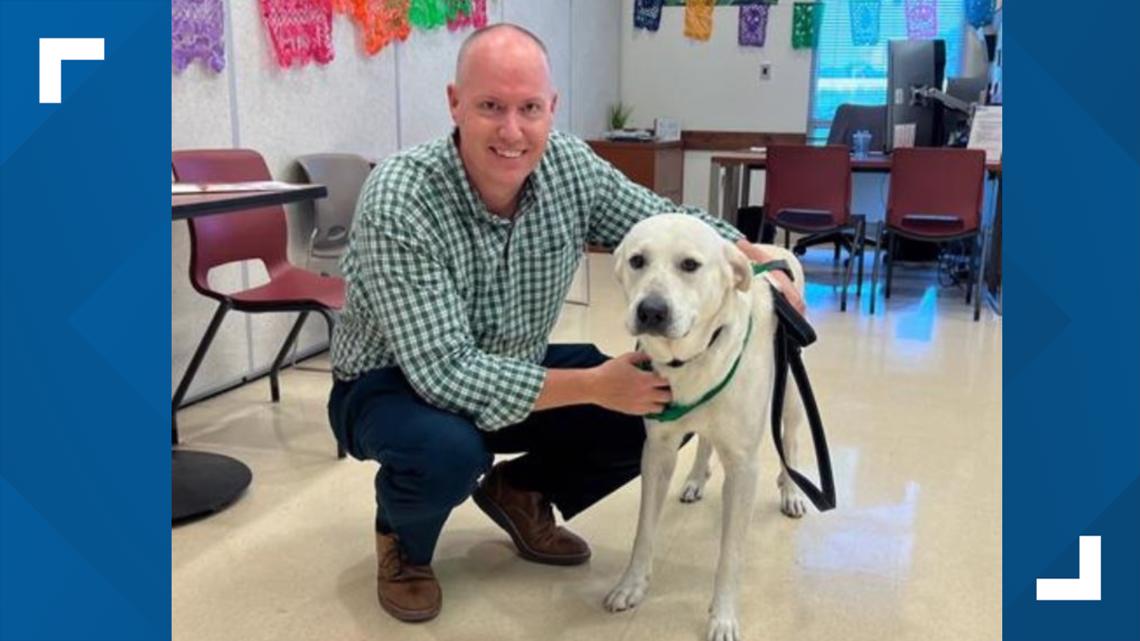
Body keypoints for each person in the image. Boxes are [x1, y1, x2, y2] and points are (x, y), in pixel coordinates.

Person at [327, 23, 804, 624]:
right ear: (454, 104)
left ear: (551, 108)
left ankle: (521, 493)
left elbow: (663, 218)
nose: (512, 130)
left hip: (513, 365)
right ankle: (402, 543)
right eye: (490, 107)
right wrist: (595, 386)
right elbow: (443, 373)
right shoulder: (400, 196)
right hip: (390, 386)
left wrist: (754, 255)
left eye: (529, 108)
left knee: (663, 403)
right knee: (449, 447)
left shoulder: (568, 168)